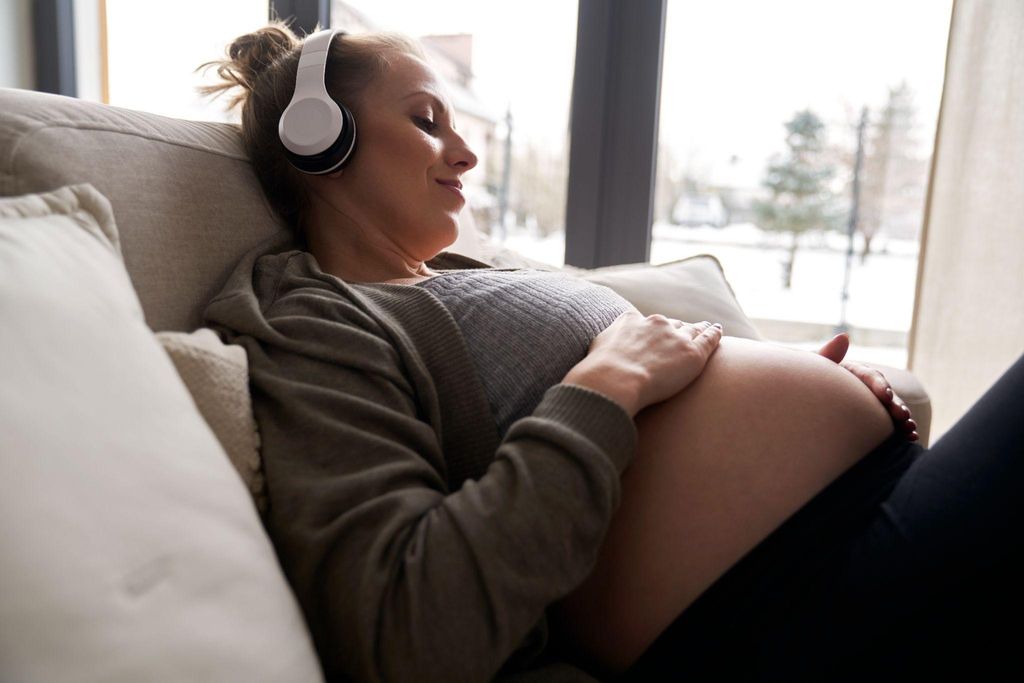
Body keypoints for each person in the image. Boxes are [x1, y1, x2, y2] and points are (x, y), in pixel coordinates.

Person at [198, 20, 1023, 683]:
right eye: (424, 119)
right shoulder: (314, 323)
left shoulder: (452, 282)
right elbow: (406, 634)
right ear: (320, 140)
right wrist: (606, 383)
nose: (467, 153)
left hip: (848, 535)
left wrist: (796, 396)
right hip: (787, 610)